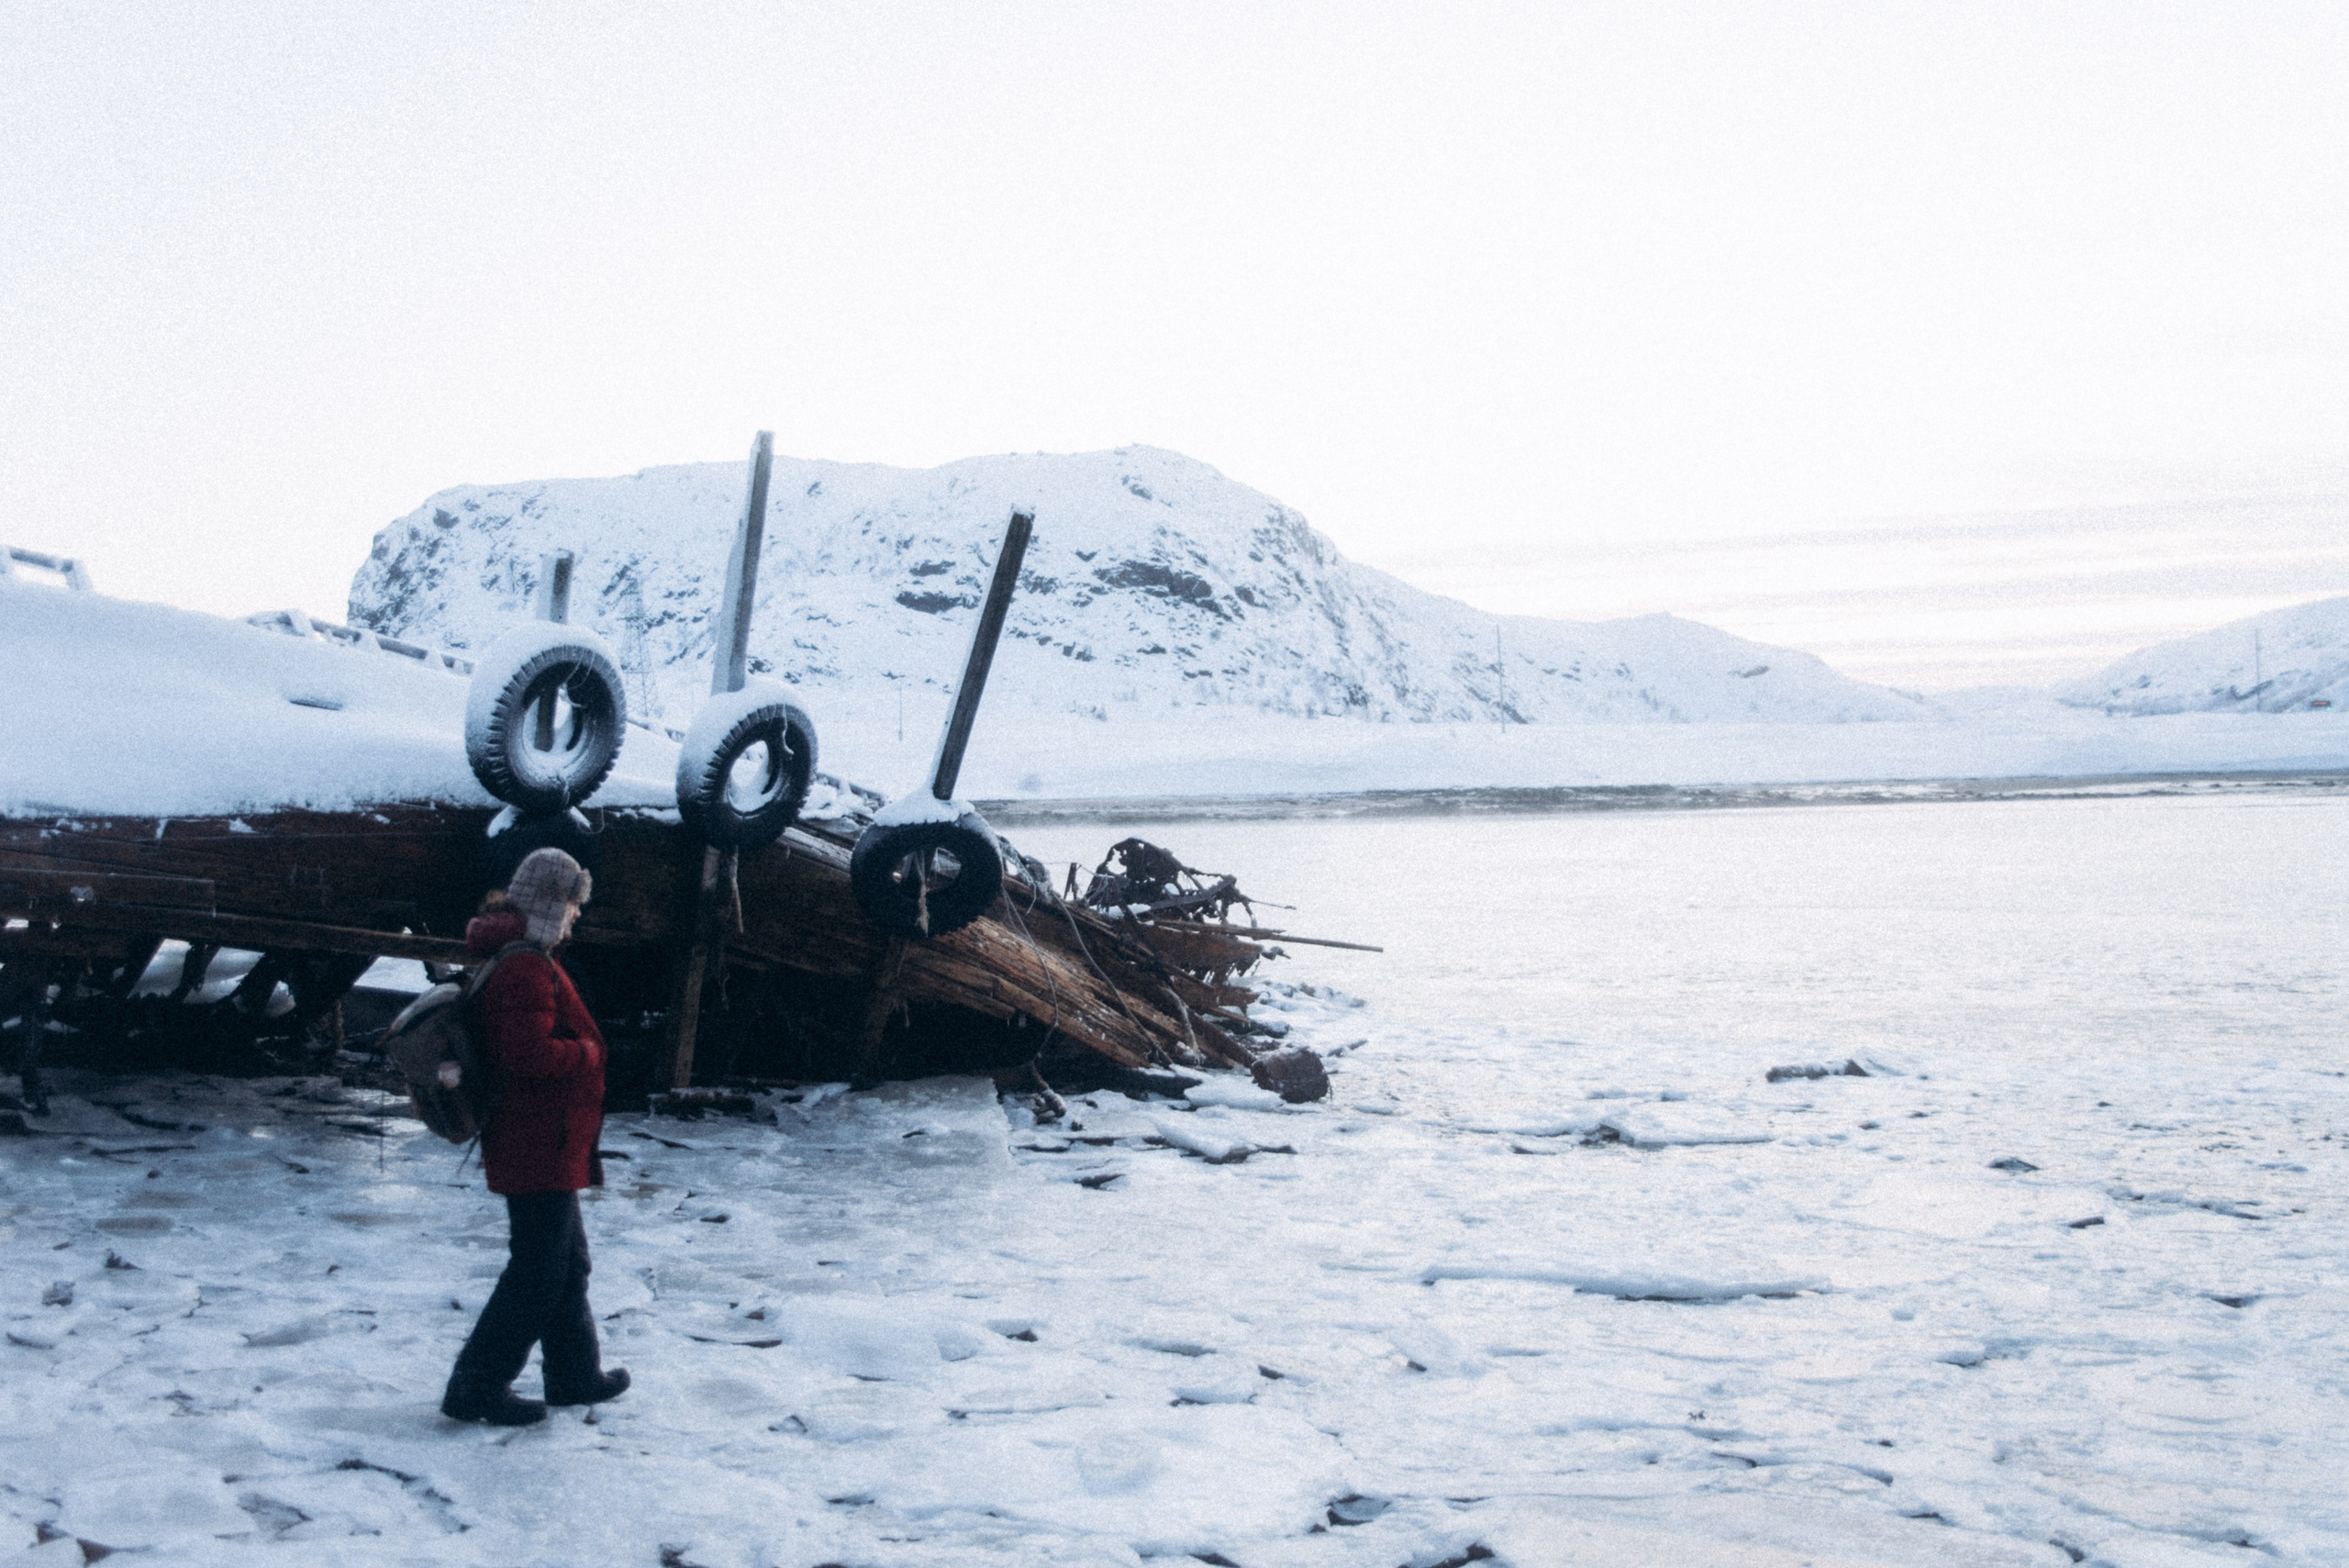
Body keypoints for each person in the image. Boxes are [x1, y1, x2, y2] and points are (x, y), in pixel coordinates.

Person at [440, 847, 630, 1426]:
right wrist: (589, 1052)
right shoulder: (524, 965)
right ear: (551, 903)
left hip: (542, 1139)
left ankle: (573, 1376)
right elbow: (526, 1055)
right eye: (573, 906)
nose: (576, 918)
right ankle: (476, 1386)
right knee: (538, 1270)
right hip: (535, 1141)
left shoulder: (520, 957)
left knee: (566, 1262)